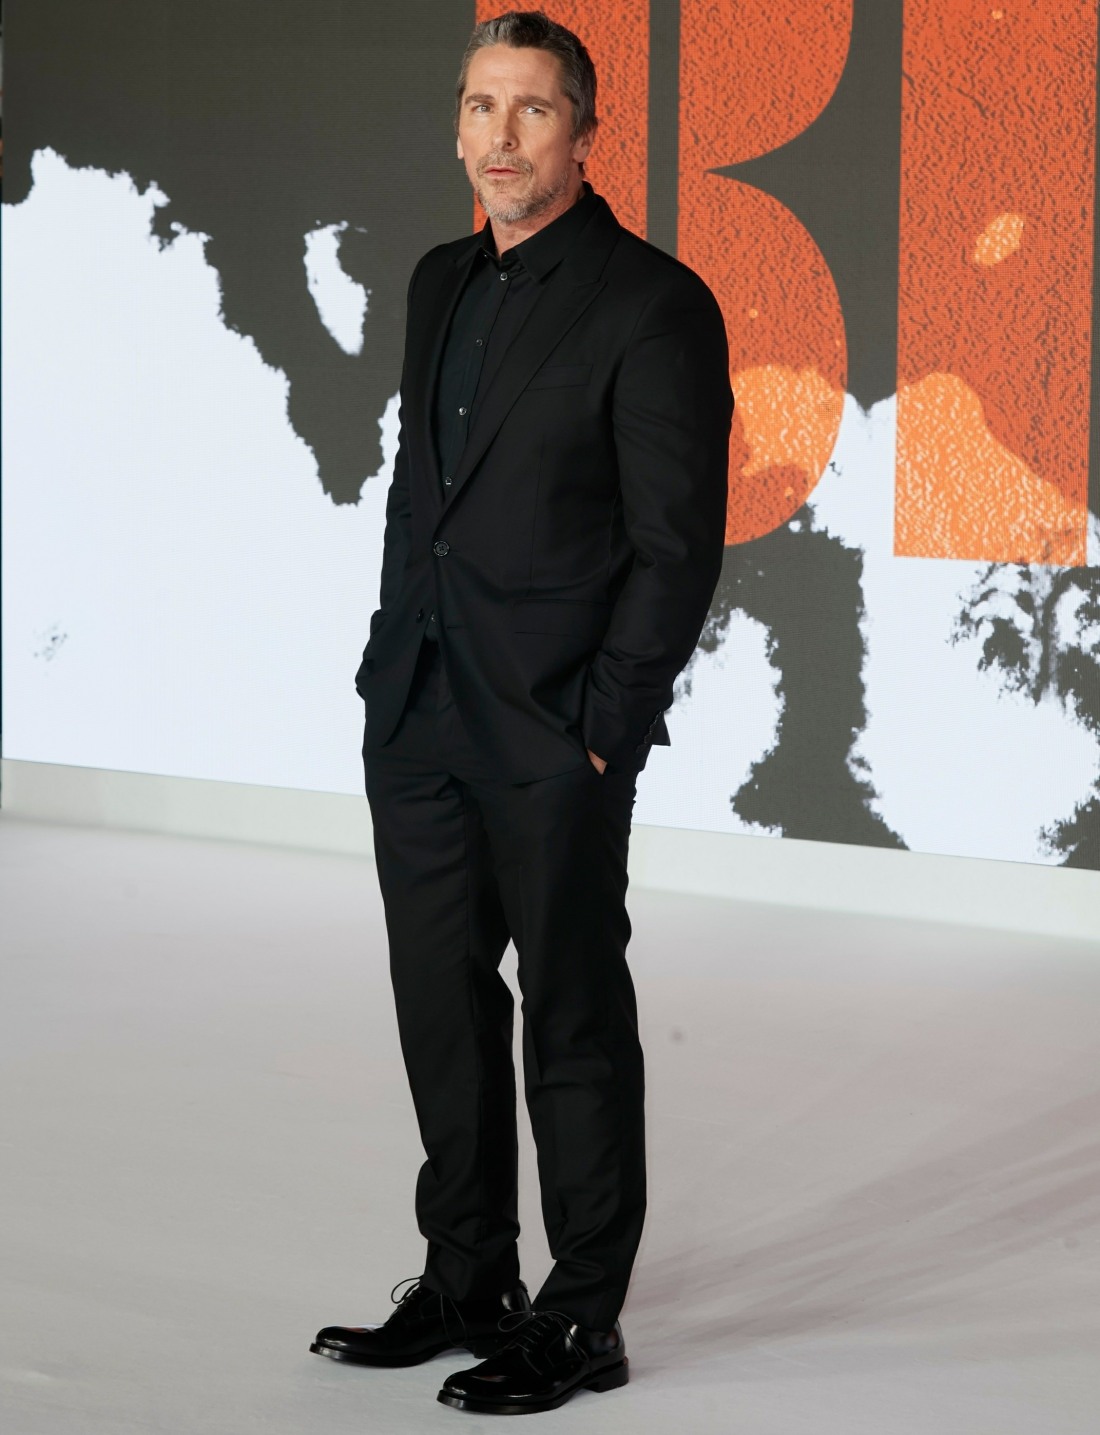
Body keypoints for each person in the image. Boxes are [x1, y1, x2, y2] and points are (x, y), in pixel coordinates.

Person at [311, 8, 733, 1417]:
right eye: (481, 107)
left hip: (555, 734)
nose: (501, 136)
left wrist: (604, 724)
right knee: (439, 1005)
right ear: (457, 127)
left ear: (584, 131)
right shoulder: (437, 280)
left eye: (533, 109)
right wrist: (385, 667)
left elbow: (675, 546)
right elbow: (419, 498)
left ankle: (581, 1316)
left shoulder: (651, 301)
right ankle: (467, 1278)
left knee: (571, 1018)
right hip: (420, 716)